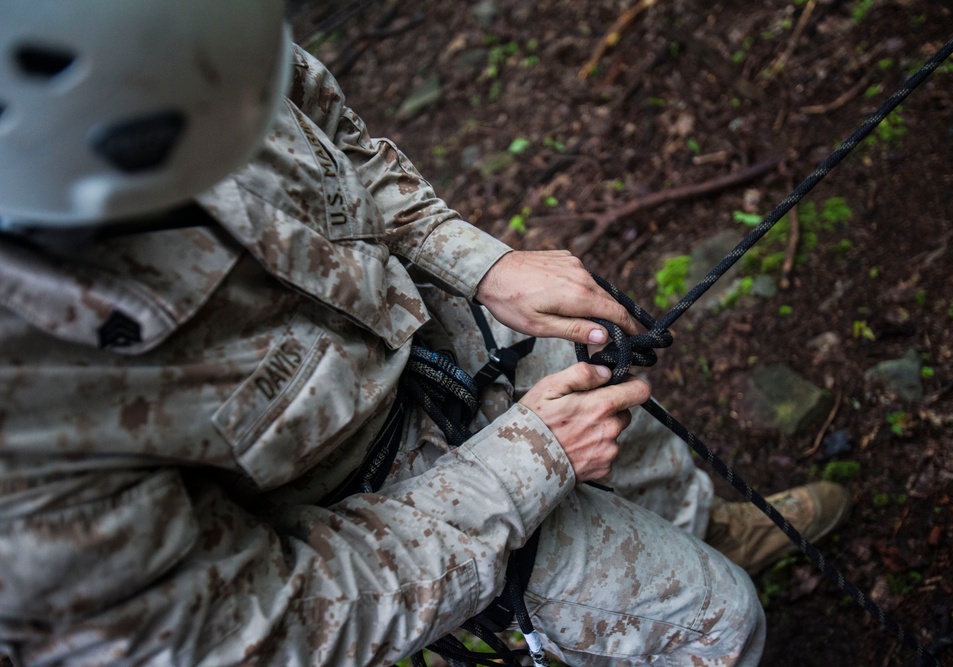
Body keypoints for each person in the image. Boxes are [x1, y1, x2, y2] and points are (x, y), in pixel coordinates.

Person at [0, 2, 850, 665]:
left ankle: (701, 529)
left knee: (619, 414)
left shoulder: (166, 32)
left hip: (431, 318)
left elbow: (327, 127)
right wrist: (522, 467)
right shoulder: (24, 441)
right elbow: (250, 632)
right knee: (716, 621)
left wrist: (478, 265)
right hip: (363, 515)